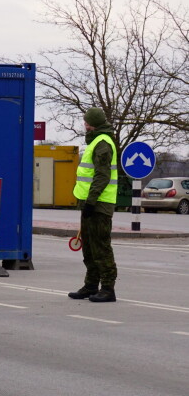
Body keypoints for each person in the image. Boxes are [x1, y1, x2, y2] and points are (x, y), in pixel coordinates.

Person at [69, 107, 118, 302]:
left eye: (86, 121)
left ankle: (108, 288)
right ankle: (90, 286)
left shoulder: (103, 143)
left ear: (93, 123)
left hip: (99, 204)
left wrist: (91, 202)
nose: (84, 124)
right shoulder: (96, 141)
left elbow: (102, 176)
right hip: (90, 203)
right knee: (88, 247)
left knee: (100, 247)